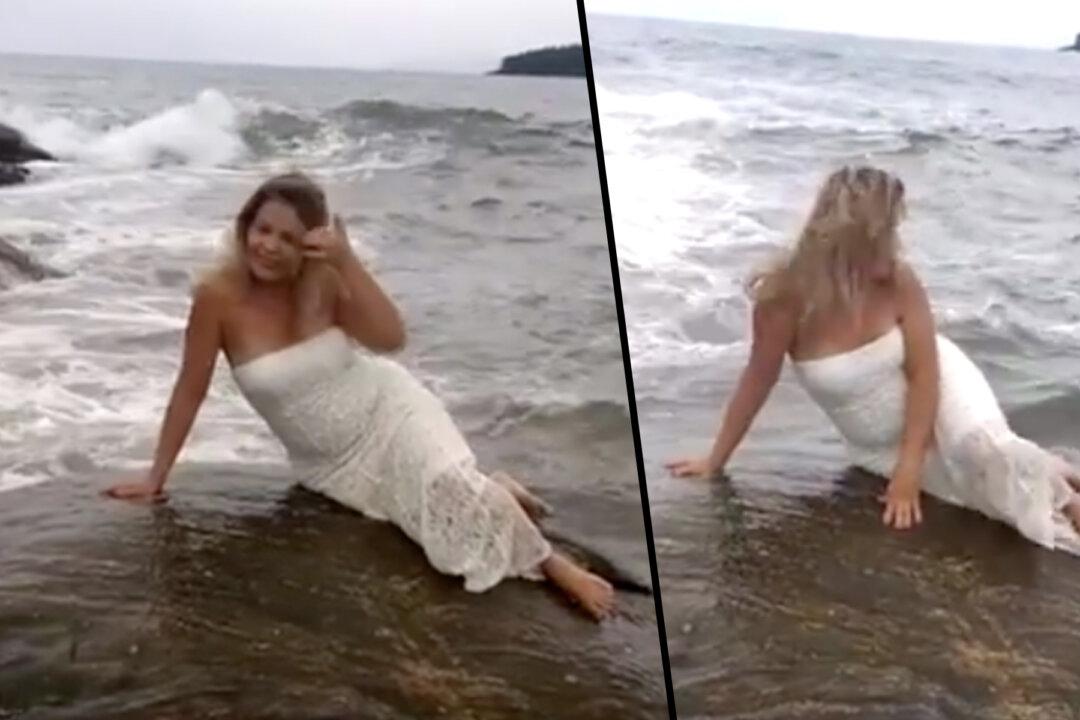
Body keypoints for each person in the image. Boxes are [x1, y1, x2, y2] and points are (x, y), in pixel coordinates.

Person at [105, 172, 615, 620]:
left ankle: (552, 563)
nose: (270, 246)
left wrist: (347, 263)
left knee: (446, 496)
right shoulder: (217, 297)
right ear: (245, 228)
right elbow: (190, 388)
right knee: (430, 524)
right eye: (263, 230)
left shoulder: (320, 285)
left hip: (388, 409)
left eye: (288, 237)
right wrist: (156, 477)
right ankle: (492, 487)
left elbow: (392, 340)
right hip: (332, 465)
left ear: (309, 243)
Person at [667, 165, 1080, 552]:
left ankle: (1068, 498)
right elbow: (757, 381)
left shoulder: (898, 280)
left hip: (940, 386)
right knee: (978, 499)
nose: (896, 242)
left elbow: (924, 373)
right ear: (855, 239)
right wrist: (715, 459)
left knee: (986, 457)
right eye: (888, 232)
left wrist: (910, 467)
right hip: (874, 443)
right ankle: (1064, 477)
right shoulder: (785, 300)